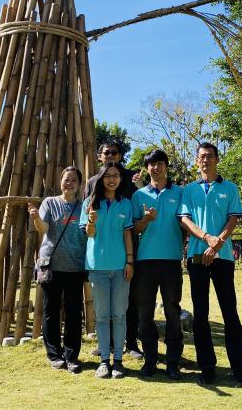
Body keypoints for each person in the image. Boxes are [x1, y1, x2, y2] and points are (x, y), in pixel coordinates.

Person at [178, 142, 242, 386]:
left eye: (210, 156)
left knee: (230, 312)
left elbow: (233, 218)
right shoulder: (189, 189)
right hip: (197, 256)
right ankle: (207, 366)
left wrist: (217, 242)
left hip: (223, 256)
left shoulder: (229, 188)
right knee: (201, 314)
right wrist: (206, 238)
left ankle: (239, 367)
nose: (205, 160)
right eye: (202, 156)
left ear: (217, 159)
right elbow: (185, 219)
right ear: (196, 161)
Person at [83, 141, 143, 360]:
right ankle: (105, 345)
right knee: (104, 305)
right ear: (99, 156)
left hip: (126, 246)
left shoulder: (131, 177)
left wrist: (130, 259)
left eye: (114, 153)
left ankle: (131, 343)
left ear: (120, 155)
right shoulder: (92, 181)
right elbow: (88, 216)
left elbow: (139, 206)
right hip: (100, 251)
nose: (110, 156)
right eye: (106, 153)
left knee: (129, 299)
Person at [131, 149, 184, 380]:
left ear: (166, 166)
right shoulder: (139, 195)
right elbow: (134, 229)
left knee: (172, 311)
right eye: (152, 164)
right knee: (145, 312)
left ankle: (173, 363)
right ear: (147, 168)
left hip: (171, 260)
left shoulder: (180, 193)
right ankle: (150, 360)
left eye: (160, 163)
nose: (156, 167)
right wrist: (146, 219)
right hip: (145, 261)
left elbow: (185, 224)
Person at [29, 166, 87, 373]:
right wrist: (36, 217)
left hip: (75, 266)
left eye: (73, 180)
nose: (69, 183)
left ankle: (71, 357)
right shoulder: (50, 202)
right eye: (66, 179)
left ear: (79, 185)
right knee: (51, 313)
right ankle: (54, 355)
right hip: (52, 266)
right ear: (60, 181)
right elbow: (43, 229)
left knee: (73, 314)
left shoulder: (84, 206)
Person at [80, 162, 135, 379]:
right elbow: (89, 234)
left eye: (116, 176)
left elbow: (127, 234)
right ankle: (104, 361)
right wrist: (91, 222)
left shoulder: (126, 204)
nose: (112, 179)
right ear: (101, 179)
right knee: (102, 316)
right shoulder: (89, 203)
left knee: (119, 315)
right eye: (108, 176)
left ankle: (118, 361)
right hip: (97, 267)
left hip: (121, 267)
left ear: (120, 179)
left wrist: (130, 262)